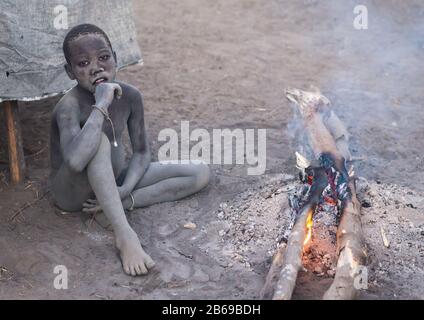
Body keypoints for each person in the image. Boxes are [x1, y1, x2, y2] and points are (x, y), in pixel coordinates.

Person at [50, 24, 210, 276]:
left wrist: (126, 188)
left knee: (199, 172)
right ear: (70, 71)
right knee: (99, 141)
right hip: (73, 193)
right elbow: (75, 162)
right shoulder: (68, 107)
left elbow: (142, 153)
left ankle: (118, 205)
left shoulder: (131, 96)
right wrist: (101, 103)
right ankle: (125, 235)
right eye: (83, 63)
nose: (96, 67)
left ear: (116, 57)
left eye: (104, 58)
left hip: (113, 181)